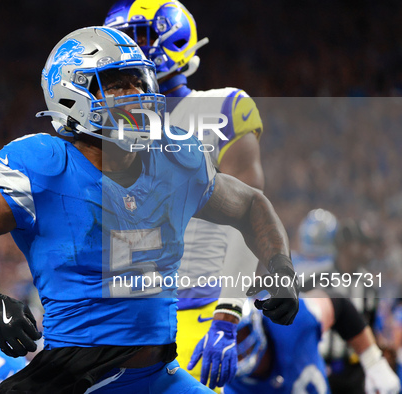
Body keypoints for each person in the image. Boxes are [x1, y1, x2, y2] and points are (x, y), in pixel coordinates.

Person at [0, 26, 298, 393]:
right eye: (119, 84)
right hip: (76, 376)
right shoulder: (45, 167)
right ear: (72, 96)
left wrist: (279, 267)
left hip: (158, 376)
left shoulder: (175, 157)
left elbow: (250, 203)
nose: (137, 93)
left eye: (139, 80)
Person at [104, 0, 265, 388]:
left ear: (171, 34)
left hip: (203, 309)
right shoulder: (113, 129)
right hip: (138, 317)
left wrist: (228, 313)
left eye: (136, 39)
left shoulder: (222, 108)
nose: (126, 55)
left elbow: (254, 217)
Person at [225, 294, 400, 394]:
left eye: (240, 334)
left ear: (255, 322)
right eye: (228, 338)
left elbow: (340, 307)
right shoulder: (224, 381)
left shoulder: (290, 322)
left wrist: (373, 363)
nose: (238, 345)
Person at [293, 209, 382, 394]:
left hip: (354, 373)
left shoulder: (369, 287)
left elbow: (370, 327)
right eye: (362, 244)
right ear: (345, 245)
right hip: (321, 366)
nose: (367, 250)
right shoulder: (313, 281)